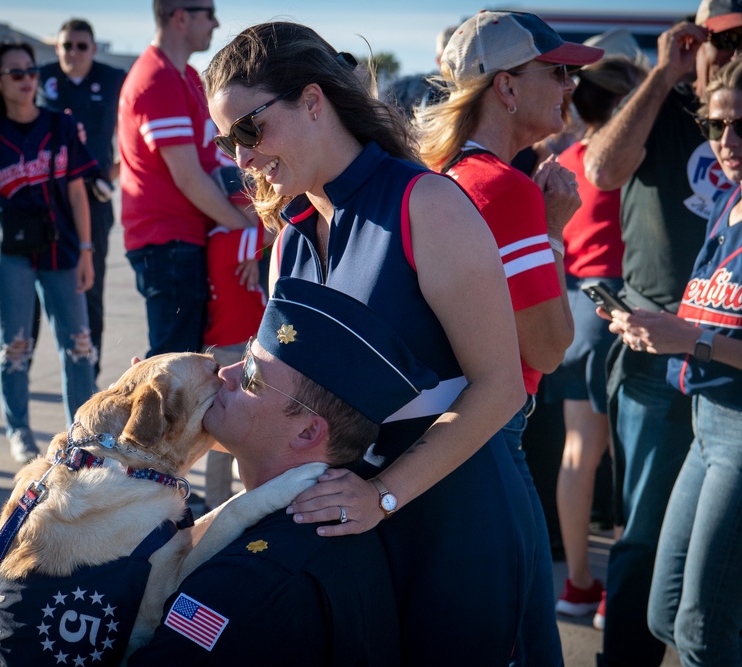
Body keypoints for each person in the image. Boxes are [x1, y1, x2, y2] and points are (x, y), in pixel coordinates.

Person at [205, 22, 536, 665]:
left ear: (312, 100)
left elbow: (502, 387)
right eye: (226, 141)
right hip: (352, 519)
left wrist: (384, 495)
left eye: (248, 129)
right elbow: (282, 391)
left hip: (455, 515)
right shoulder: (292, 237)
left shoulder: (426, 204)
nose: (240, 158)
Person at [581, 1, 742, 663]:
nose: (727, 140)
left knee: (711, 615)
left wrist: (692, 340)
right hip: (687, 391)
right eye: (719, 126)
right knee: (658, 587)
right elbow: (601, 171)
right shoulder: (720, 183)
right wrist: (645, 326)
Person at [416, 11, 605, 663]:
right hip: (490, 439)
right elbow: (550, 349)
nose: (568, 88)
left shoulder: (439, 175)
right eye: (557, 72)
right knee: (527, 642)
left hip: (438, 429)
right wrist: (553, 229)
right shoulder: (505, 190)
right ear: (505, 87)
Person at [130, 277, 438, 664]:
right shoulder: (336, 520)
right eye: (243, 356)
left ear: (308, 430)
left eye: (251, 379)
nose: (224, 375)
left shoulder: (243, 579)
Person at [550, 55, 645, 623]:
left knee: (578, 453)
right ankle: (618, 592)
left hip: (575, 307)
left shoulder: (561, 160)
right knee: (628, 457)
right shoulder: (632, 161)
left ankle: (579, 585)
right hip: (626, 307)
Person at [0, 41, 98, 463]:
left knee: (80, 344)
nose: (27, 79)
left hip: (61, 246)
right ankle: (19, 432)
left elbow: (78, 191)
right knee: (14, 344)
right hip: (10, 247)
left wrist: (87, 250)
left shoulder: (60, 124)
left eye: (31, 71)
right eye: (16, 73)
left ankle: (81, 436)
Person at [117, 0, 254, 359]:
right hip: (168, 242)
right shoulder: (157, 79)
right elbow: (189, 178)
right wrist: (247, 227)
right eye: (208, 13)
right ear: (180, 17)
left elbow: (215, 163)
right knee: (175, 366)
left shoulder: (187, 77)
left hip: (186, 239)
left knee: (189, 359)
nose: (215, 22)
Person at [37, 18, 127, 382]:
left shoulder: (113, 79)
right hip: (46, 201)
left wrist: (113, 173)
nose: (73, 52)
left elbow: (136, 131)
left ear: (94, 48)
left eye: (81, 46)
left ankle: (90, 372)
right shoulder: (41, 77)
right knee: (31, 289)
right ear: (56, 48)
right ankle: (16, 367)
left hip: (93, 198)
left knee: (90, 288)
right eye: (66, 46)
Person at [201, 165, 271, 510]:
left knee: (235, 428)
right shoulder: (229, 236)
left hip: (233, 340)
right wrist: (258, 242)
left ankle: (223, 497)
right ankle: (217, 501)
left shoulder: (230, 240)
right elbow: (282, 227)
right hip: (232, 345)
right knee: (228, 431)